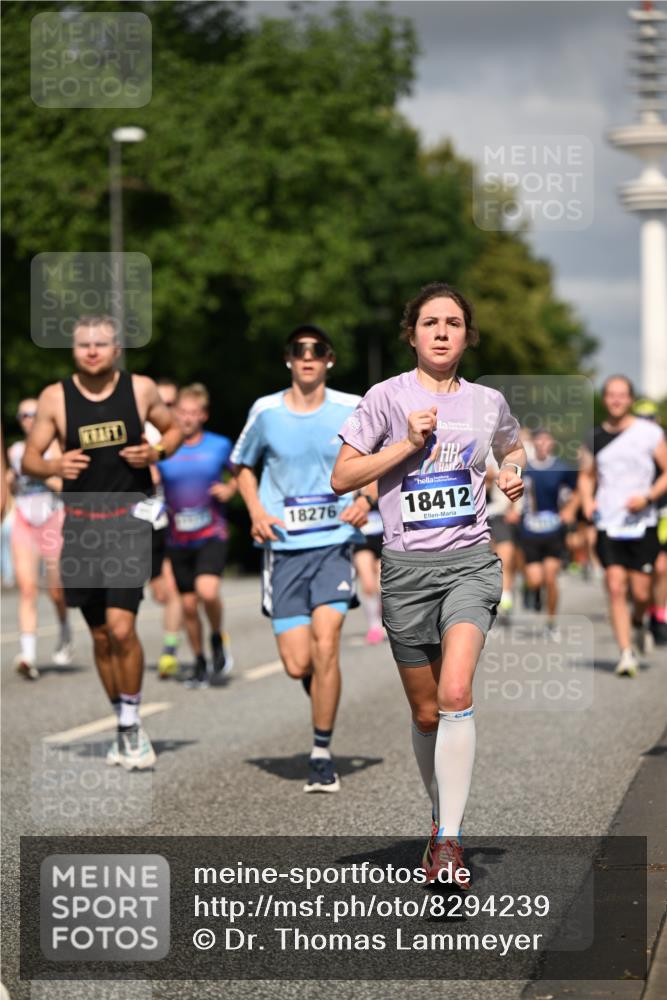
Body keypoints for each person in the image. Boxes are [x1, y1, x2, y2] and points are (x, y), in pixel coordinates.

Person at [332, 282, 524, 886]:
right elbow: (342, 476)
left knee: (456, 691)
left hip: (470, 563)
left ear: (468, 335)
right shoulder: (385, 398)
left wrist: (511, 474)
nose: (442, 332)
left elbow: (510, 448)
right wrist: (405, 445)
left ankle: (448, 842)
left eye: (454, 323)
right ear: (411, 334)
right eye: (430, 323)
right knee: (425, 710)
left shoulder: (487, 401)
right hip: (406, 573)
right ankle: (441, 813)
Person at [22, 315, 182, 769]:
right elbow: (31, 459)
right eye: (83, 344)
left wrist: (156, 452)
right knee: (98, 634)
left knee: (121, 629)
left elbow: (173, 431)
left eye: (101, 343)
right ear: (74, 350)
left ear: (116, 350)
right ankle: (122, 721)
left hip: (127, 522)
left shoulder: (141, 390)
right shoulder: (56, 397)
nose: (92, 350)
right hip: (80, 526)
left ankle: (131, 729)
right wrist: (54, 467)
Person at [232, 324, 372, 793]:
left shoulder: (352, 408)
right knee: (299, 664)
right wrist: (254, 510)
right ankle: (322, 692)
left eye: (317, 351)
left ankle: (320, 753)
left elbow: (381, 460)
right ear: (288, 359)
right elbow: (241, 466)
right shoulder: (266, 411)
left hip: (334, 542)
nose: (308, 357)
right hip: (284, 549)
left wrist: (367, 498)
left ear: (329, 359)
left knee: (327, 642)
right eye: (299, 350)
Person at [578, 376, 667, 677]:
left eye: (622, 395)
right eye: (611, 395)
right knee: (616, 586)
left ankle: (640, 622)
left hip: (643, 523)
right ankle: (626, 653)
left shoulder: (650, 433)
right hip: (609, 523)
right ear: (605, 400)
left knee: (641, 593)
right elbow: (587, 475)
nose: (616, 400)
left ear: (630, 399)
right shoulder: (594, 438)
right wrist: (588, 501)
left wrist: (648, 497)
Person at [158, 383, 236, 688]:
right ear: (174, 413)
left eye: (193, 413)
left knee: (207, 591)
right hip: (177, 538)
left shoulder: (219, 445)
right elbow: (150, 481)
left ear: (203, 415)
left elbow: (241, 473)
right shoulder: (164, 450)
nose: (187, 418)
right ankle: (200, 661)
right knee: (188, 607)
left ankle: (217, 636)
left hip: (211, 532)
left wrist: (229, 488)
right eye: (182, 412)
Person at [8, 400, 72, 678]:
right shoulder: (16, 451)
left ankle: (64, 628)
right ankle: (28, 654)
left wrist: (42, 472)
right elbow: (11, 484)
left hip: (52, 518)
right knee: (27, 588)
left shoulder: (57, 449)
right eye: (24, 415)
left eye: (34, 414)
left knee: (56, 590)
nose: (29, 419)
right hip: (23, 519)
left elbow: (65, 485)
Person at [518, 428, 579, 638]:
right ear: (533, 444)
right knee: (535, 579)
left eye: (547, 441)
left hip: (554, 529)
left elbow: (578, 491)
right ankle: (531, 590)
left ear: (552, 444)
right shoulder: (525, 468)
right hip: (529, 529)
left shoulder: (562, 468)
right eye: (539, 441)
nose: (543, 445)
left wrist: (570, 510)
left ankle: (551, 622)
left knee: (551, 578)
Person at [145, 378, 184, 678]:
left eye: (172, 403)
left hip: (172, 522)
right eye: (163, 402)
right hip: (139, 519)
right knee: (158, 591)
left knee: (171, 589)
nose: (167, 408)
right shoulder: (140, 430)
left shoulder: (181, 435)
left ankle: (170, 649)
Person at [353, 502, 384, 644]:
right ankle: (374, 626)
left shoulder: (381, 480)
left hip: (383, 537)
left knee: (382, 586)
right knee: (368, 584)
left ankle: (386, 620)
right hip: (361, 540)